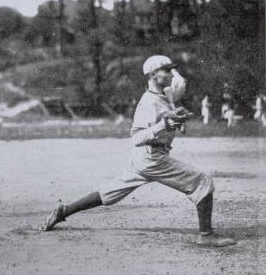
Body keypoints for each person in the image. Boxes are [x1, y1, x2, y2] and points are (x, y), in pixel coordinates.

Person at [42, 55, 236, 247]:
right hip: (152, 158)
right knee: (202, 180)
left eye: (170, 70)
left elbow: (181, 83)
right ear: (152, 74)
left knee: (109, 194)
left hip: (144, 158)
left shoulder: (166, 93)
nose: (170, 74)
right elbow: (136, 137)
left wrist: (171, 73)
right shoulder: (147, 103)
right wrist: (164, 124)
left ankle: (64, 211)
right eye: (166, 70)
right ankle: (206, 235)